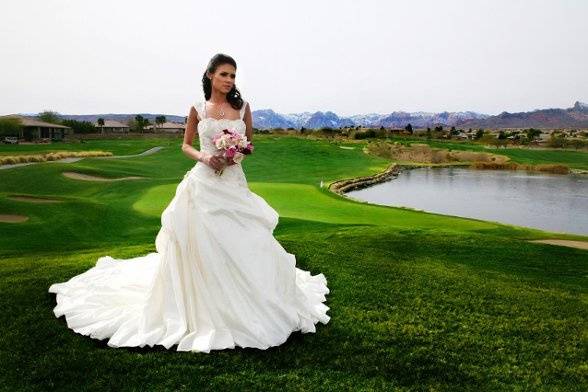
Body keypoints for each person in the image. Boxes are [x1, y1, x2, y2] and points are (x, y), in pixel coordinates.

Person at [48, 53, 331, 353]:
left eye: (233, 76)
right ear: (210, 75)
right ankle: (203, 303)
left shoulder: (243, 107)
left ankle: (245, 299)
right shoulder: (198, 108)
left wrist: (236, 155)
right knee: (200, 241)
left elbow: (250, 144)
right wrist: (207, 156)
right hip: (203, 181)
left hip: (233, 182)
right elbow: (185, 145)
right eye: (224, 74)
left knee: (241, 240)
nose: (229, 80)